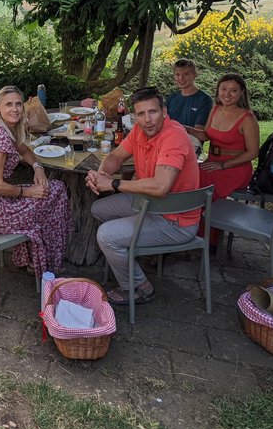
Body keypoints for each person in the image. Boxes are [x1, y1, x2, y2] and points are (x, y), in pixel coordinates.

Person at [85, 86, 201, 307]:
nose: (147, 119)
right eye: (141, 114)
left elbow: (160, 187)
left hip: (176, 221)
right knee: (98, 209)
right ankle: (126, 251)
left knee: (106, 235)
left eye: (153, 112)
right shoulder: (140, 130)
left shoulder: (173, 136)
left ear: (164, 112)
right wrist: (102, 174)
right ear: (134, 116)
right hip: (150, 205)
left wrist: (114, 183)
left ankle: (139, 288)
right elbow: (116, 156)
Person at [0, 86, 73, 276]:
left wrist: (38, 168)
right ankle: (44, 263)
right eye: (9, 104)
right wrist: (28, 192)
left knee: (50, 189)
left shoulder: (5, 128)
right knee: (57, 192)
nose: (15, 109)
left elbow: (25, 151)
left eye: (18, 104)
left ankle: (33, 259)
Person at [195, 73, 260, 243]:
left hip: (235, 168)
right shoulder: (215, 109)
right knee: (189, 174)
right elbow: (205, 136)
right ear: (218, 90)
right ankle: (188, 230)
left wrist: (223, 165)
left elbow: (253, 153)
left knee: (201, 183)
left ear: (241, 93)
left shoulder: (247, 118)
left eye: (233, 90)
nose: (227, 94)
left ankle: (208, 239)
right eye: (223, 89)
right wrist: (183, 128)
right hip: (212, 163)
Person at [165, 58, 213, 153]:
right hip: (167, 144)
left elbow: (199, 133)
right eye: (177, 74)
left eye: (186, 74)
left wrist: (178, 128)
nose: (181, 78)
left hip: (190, 148)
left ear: (194, 75)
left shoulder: (204, 100)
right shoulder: (171, 98)